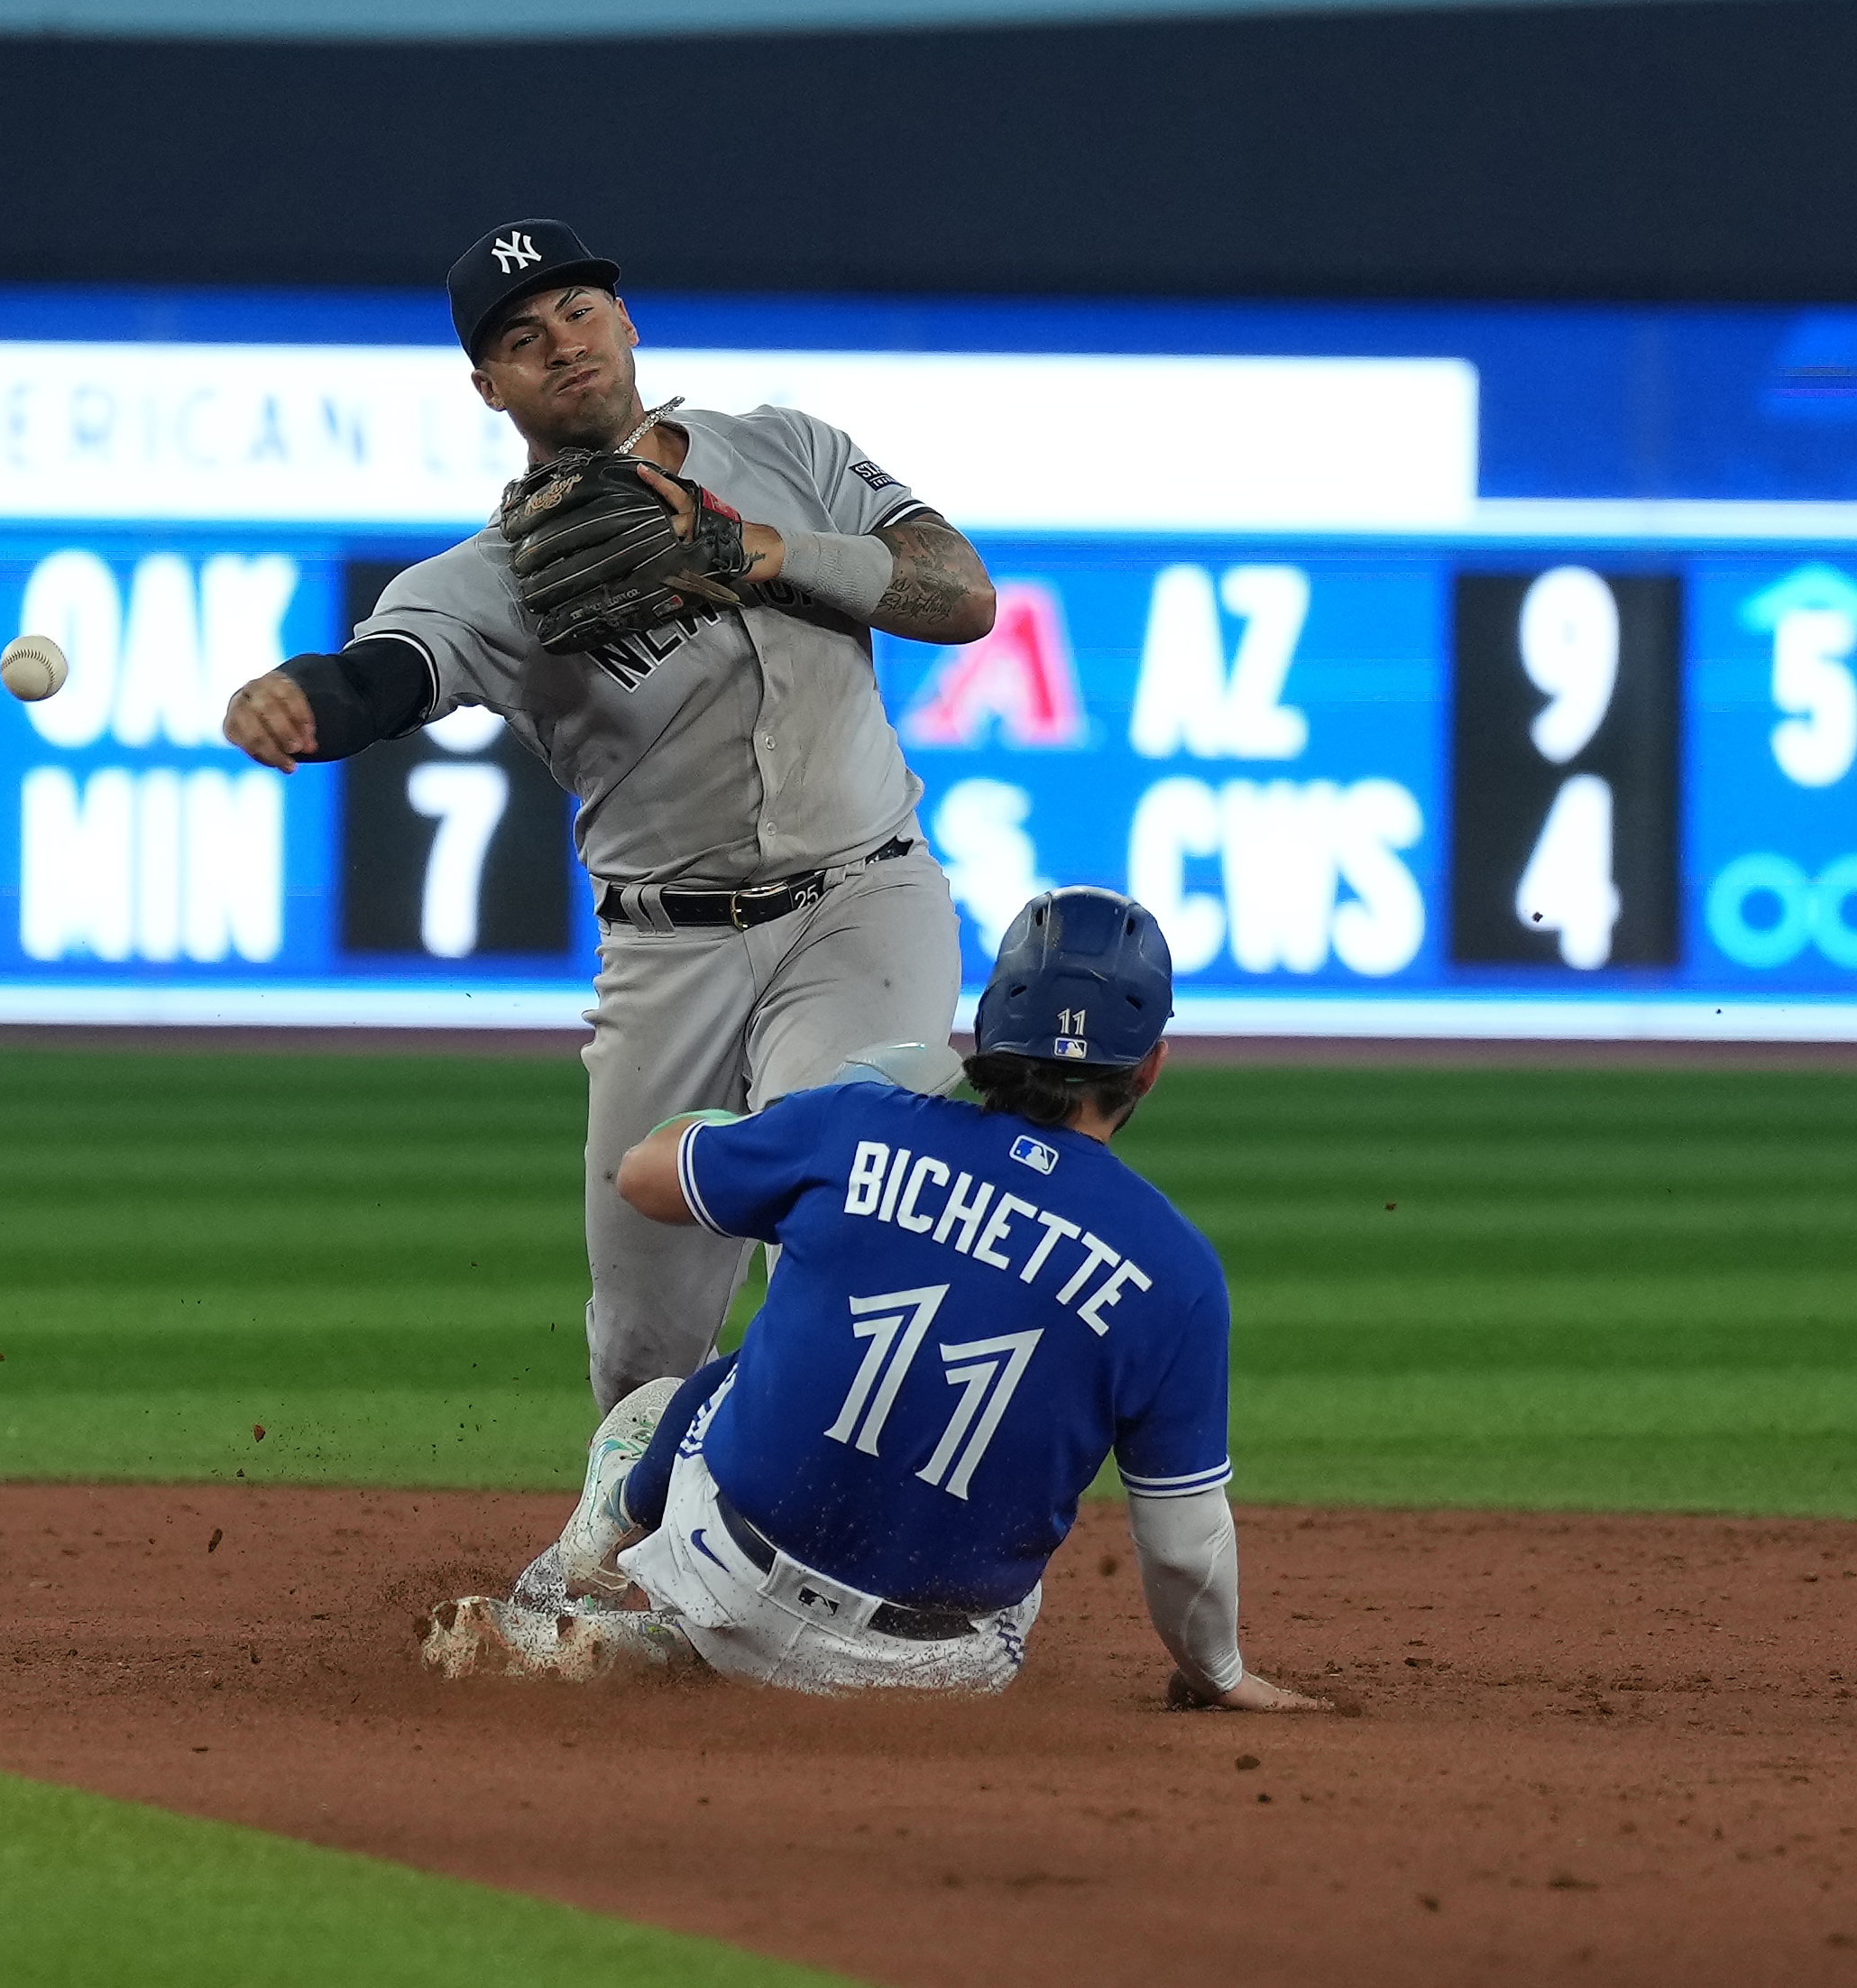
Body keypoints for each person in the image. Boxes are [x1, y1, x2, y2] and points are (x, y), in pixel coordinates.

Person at [224, 218, 990, 1416]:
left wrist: (763, 551)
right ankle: (621, 1579)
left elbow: (959, 594)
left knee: (846, 1229)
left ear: (625, 322)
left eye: (577, 311)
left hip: (866, 903)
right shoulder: (482, 581)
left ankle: (873, 1567)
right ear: (489, 387)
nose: (561, 345)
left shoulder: (787, 448)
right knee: (646, 1344)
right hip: (670, 949)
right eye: (522, 339)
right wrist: (304, 697)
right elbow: (387, 674)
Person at [419, 888, 1329, 1710]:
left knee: (686, 1393)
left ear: (986, 1026)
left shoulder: (855, 1123)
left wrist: (781, 1119)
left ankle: (590, 1594)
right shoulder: (1175, 1269)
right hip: (938, 1674)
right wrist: (1218, 1673)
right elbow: (1181, 1545)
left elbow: (647, 1175)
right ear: (1150, 1066)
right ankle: (677, 1642)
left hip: (730, 1574)